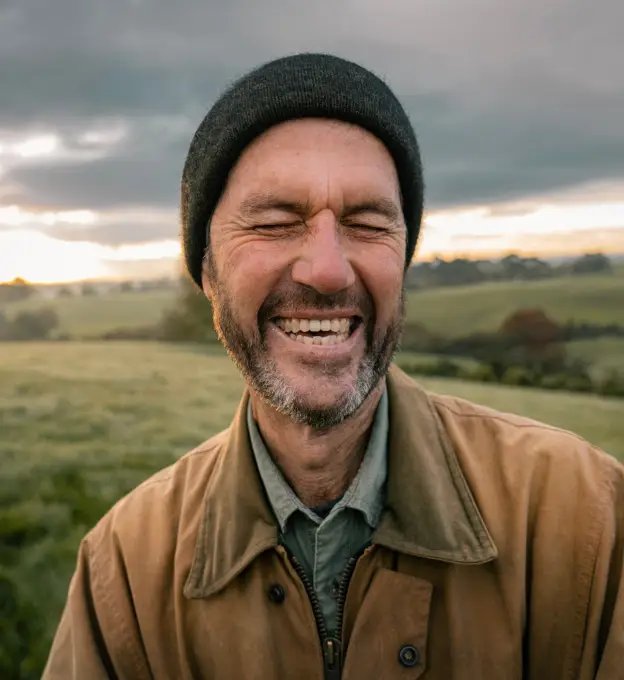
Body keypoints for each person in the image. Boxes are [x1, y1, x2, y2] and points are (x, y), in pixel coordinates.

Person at [43, 53, 623, 680]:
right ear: (206, 271)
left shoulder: (585, 520)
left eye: (369, 223)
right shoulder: (125, 567)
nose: (326, 270)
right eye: (273, 222)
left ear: (402, 261)